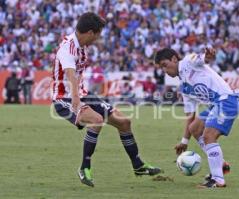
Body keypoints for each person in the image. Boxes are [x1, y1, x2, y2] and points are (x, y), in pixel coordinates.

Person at [52, 12, 161, 187]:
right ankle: (84, 167)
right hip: (64, 97)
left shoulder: (82, 46)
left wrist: (82, 97)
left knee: (124, 122)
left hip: (83, 93)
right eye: (97, 34)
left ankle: (138, 165)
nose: (98, 38)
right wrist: (76, 102)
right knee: (97, 120)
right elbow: (71, 74)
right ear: (89, 32)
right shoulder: (68, 48)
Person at [155, 48, 239, 188]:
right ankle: (220, 165)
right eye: (161, 68)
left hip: (227, 101)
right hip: (217, 105)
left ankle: (217, 180)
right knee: (195, 128)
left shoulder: (188, 62)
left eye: (165, 65)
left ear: (174, 59)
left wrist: (208, 56)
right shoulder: (184, 88)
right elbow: (190, 116)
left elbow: (203, 59)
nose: (164, 70)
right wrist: (184, 141)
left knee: (208, 136)